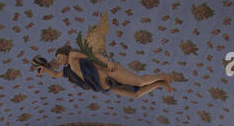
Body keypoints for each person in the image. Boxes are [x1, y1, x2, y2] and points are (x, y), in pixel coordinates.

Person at [33, 45, 173, 98]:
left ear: (64, 53)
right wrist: (44, 69)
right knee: (136, 94)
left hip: (108, 72)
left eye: (59, 57)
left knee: (140, 81)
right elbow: (56, 74)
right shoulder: (69, 70)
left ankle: (161, 76)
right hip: (105, 86)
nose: (59, 61)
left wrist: (108, 62)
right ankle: (160, 83)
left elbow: (94, 55)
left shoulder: (73, 55)